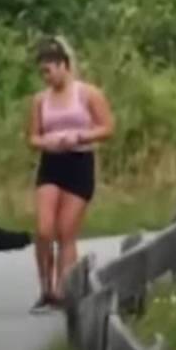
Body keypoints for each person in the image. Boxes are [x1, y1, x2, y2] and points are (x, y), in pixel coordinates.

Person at [27, 35, 114, 314]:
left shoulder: (88, 93)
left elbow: (107, 127)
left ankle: (66, 289)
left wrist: (80, 136)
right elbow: (32, 136)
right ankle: (46, 288)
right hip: (52, 163)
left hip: (79, 162)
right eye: (42, 72)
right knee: (43, 229)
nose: (46, 77)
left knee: (66, 231)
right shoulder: (41, 100)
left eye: (49, 71)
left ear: (64, 66)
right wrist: (47, 142)